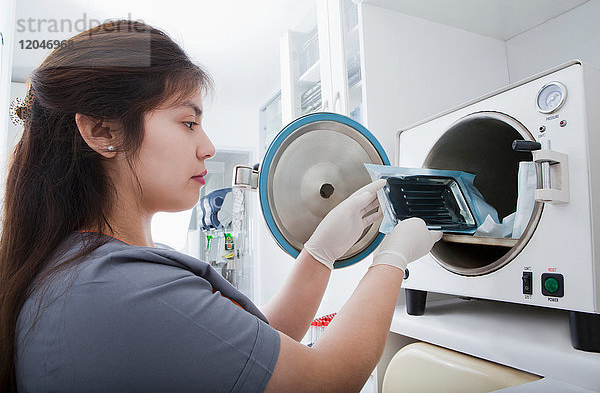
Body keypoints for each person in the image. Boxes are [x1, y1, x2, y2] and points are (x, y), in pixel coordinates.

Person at [0, 20, 442, 392]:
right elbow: (325, 381)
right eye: (188, 122)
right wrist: (392, 259)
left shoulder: (87, 274)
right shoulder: (121, 289)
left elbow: (253, 344)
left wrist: (319, 254)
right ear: (102, 131)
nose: (208, 147)